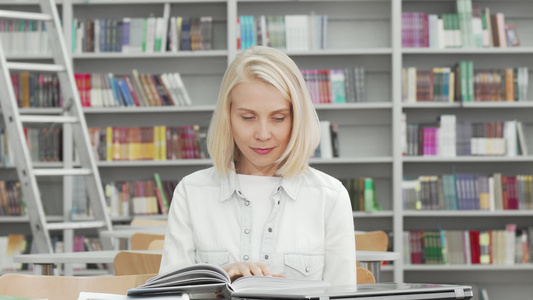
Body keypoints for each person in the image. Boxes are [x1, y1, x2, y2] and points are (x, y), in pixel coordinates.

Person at [159, 46, 356, 285]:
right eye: (248, 117)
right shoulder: (191, 192)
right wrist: (218, 280)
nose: (263, 134)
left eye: (278, 118)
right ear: (227, 116)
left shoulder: (330, 197)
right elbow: (168, 293)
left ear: (296, 119)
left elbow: (342, 294)